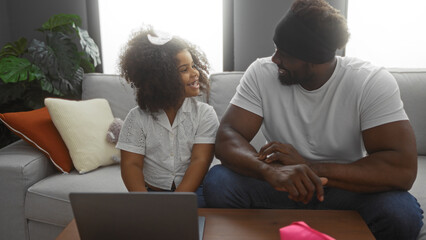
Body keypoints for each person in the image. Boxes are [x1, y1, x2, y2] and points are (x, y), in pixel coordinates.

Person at [202, 0, 423, 239]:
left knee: (402, 214)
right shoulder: (262, 72)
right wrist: (270, 171)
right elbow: (228, 136)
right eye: (276, 49)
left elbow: (401, 169)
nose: (275, 59)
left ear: (313, 60)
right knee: (219, 182)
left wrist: (307, 167)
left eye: (285, 54)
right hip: (281, 186)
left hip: (342, 188)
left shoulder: (370, 81)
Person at [116, 27, 219, 208]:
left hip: (194, 194)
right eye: (184, 69)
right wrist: (145, 204)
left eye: (193, 65)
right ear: (161, 79)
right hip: (150, 194)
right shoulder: (137, 118)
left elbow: (200, 160)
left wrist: (175, 204)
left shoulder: (205, 114)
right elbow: (131, 165)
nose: (195, 73)